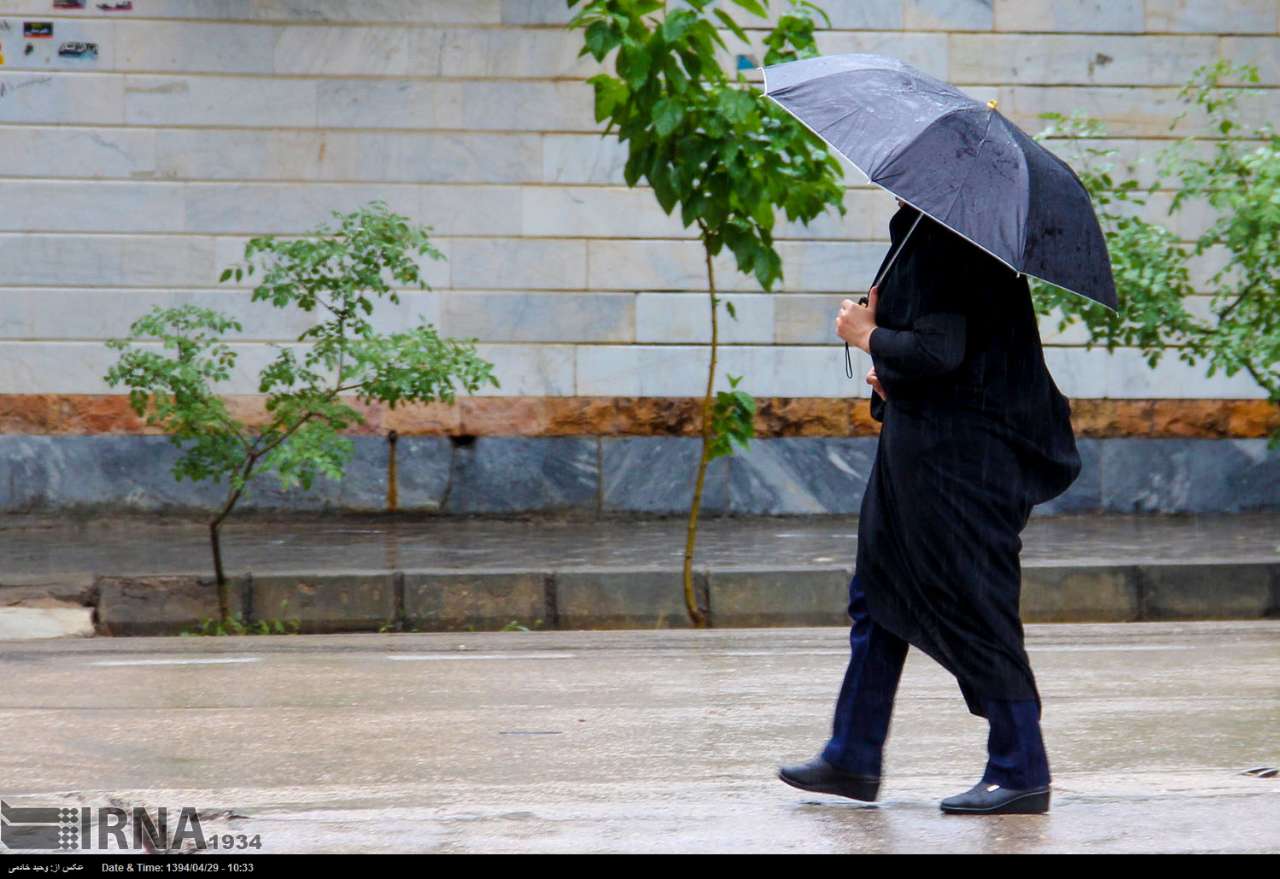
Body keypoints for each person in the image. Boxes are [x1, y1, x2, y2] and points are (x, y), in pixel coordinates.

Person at [777, 197, 1083, 815]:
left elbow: (942, 350)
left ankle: (1021, 766)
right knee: (878, 596)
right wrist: (889, 368)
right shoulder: (926, 234)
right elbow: (951, 358)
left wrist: (867, 336)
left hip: (962, 467)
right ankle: (853, 756)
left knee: (975, 607)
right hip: (924, 453)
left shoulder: (949, 240)